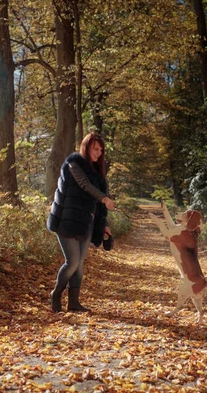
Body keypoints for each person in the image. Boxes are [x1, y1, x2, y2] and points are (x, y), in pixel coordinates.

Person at [46, 132, 115, 312]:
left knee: (80, 263)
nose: (99, 153)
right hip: (66, 220)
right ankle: (55, 294)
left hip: (87, 224)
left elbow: (98, 205)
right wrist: (105, 198)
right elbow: (85, 185)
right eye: (95, 149)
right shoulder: (73, 164)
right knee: (72, 262)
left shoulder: (98, 173)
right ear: (86, 147)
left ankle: (74, 303)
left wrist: (104, 224)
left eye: (101, 150)